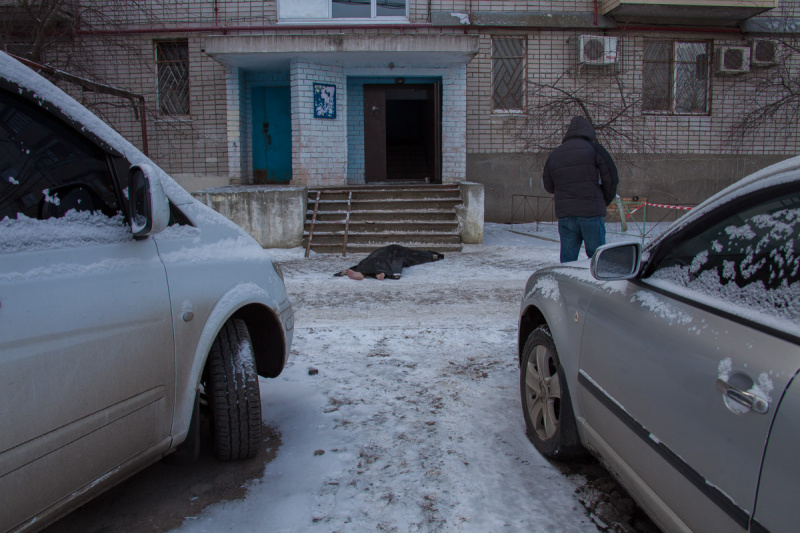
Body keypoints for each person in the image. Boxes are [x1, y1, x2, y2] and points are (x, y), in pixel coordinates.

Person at [542, 116, 619, 263]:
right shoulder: (595, 149)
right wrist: (605, 200)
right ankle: (596, 285)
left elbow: (549, 186)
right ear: (589, 132)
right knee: (597, 262)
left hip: (566, 215)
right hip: (591, 213)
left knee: (568, 261)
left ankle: (566, 285)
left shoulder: (556, 154)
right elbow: (611, 177)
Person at [335, 244, 444, 280]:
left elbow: (421, 255)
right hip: (385, 254)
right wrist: (434, 256)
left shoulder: (405, 252)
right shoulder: (408, 252)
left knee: (371, 261)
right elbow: (420, 255)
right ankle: (379, 274)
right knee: (377, 261)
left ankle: (363, 273)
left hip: (381, 254)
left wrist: (434, 256)